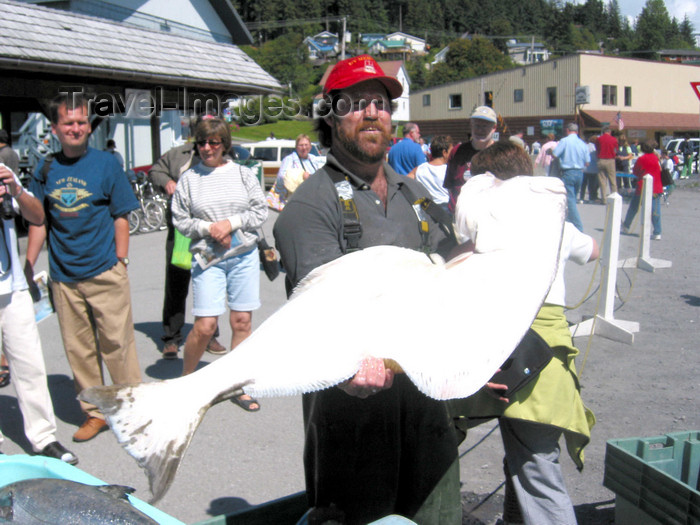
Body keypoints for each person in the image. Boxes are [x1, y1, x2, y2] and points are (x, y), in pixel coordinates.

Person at [274, 54, 460, 524]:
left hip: (428, 403)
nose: (372, 112)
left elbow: (456, 277)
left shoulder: (416, 196)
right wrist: (346, 367)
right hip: (351, 415)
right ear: (332, 116)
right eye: (355, 103)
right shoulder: (309, 206)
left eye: (380, 102)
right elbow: (320, 314)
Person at [452, 142, 597, 525]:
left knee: (536, 474)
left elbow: (453, 273)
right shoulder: (557, 227)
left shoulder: (485, 229)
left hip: (511, 356)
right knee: (532, 460)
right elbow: (593, 250)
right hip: (543, 359)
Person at [27, 92, 142, 443]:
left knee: (117, 346)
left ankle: (132, 412)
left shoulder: (106, 163)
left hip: (105, 270)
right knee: (79, 350)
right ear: (55, 128)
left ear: (87, 126)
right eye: (68, 123)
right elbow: (38, 222)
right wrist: (28, 264)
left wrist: (120, 261)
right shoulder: (45, 168)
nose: (75, 128)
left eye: (80, 122)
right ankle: (95, 414)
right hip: (64, 278)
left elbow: (121, 215)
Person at [171, 117, 267, 411]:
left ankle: (235, 385)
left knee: (242, 322)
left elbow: (260, 211)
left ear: (224, 144)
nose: (207, 148)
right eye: (201, 142)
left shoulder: (243, 174)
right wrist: (208, 229)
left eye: (213, 142)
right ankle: (187, 381)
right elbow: (181, 220)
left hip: (242, 256)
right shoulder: (189, 179)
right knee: (205, 326)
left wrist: (231, 224)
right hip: (208, 259)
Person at [0, 163, 79, 464]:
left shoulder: (3, 171)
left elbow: (37, 217)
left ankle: (44, 437)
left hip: (13, 287)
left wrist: (17, 191)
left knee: (30, 364)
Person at [149, 139, 228, 359]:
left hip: (211, 231)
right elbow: (156, 171)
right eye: (203, 137)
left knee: (210, 283)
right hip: (183, 232)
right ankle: (171, 338)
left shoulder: (222, 156)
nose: (208, 145)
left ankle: (210, 335)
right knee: (176, 284)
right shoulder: (178, 154)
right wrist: (166, 181)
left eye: (213, 138)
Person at [444, 105, 498, 212]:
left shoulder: (501, 153)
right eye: (477, 125)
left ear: (494, 128)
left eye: (485, 126)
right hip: (459, 216)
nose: (480, 130)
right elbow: (450, 184)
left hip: (489, 217)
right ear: (471, 125)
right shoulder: (457, 151)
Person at [266, 133, 322, 211]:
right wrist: (300, 176)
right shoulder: (289, 159)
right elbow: (281, 178)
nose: (304, 148)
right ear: (296, 147)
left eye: (306, 145)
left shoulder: (313, 159)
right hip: (296, 201)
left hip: (313, 200)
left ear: (310, 146)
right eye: (301, 145)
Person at [622, 139, 663, 240]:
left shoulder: (641, 159)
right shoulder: (656, 158)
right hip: (656, 187)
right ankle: (657, 231)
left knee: (633, 208)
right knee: (655, 210)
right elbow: (661, 170)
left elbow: (635, 172)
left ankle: (626, 226)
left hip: (642, 186)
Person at [552, 123, 590, 232]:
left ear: (567, 130)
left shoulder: (564, 141)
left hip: (568, 171)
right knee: (573, 198)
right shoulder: (583, 144)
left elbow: (555, 154)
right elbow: (587, 162)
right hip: (580, 172)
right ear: (577, 131)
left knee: (570, 200)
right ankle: (568, 225)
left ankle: (578, 227)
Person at [414, 134, 453, 211]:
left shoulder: (419, 169)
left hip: (425, 209)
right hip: (445, 210)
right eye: (451, 151)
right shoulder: (449, 170)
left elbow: (405, 181)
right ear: (444, 152)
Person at [595, 125, 618, 202]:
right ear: (609, 132)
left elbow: (597, 148)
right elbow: (616, 150)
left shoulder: (599, 139)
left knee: (602, 181)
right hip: (610, 160)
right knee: (613, 180)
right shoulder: (614, 139)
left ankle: (604, 199)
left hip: (601, 159)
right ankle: (614, 197)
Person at [580, 135, 600, 203]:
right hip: (593, 168)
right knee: (592, 184)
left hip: (584, 168)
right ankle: (591, 198)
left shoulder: (585, 146)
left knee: (583, 184)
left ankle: (581, 197)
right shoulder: (596, 148)